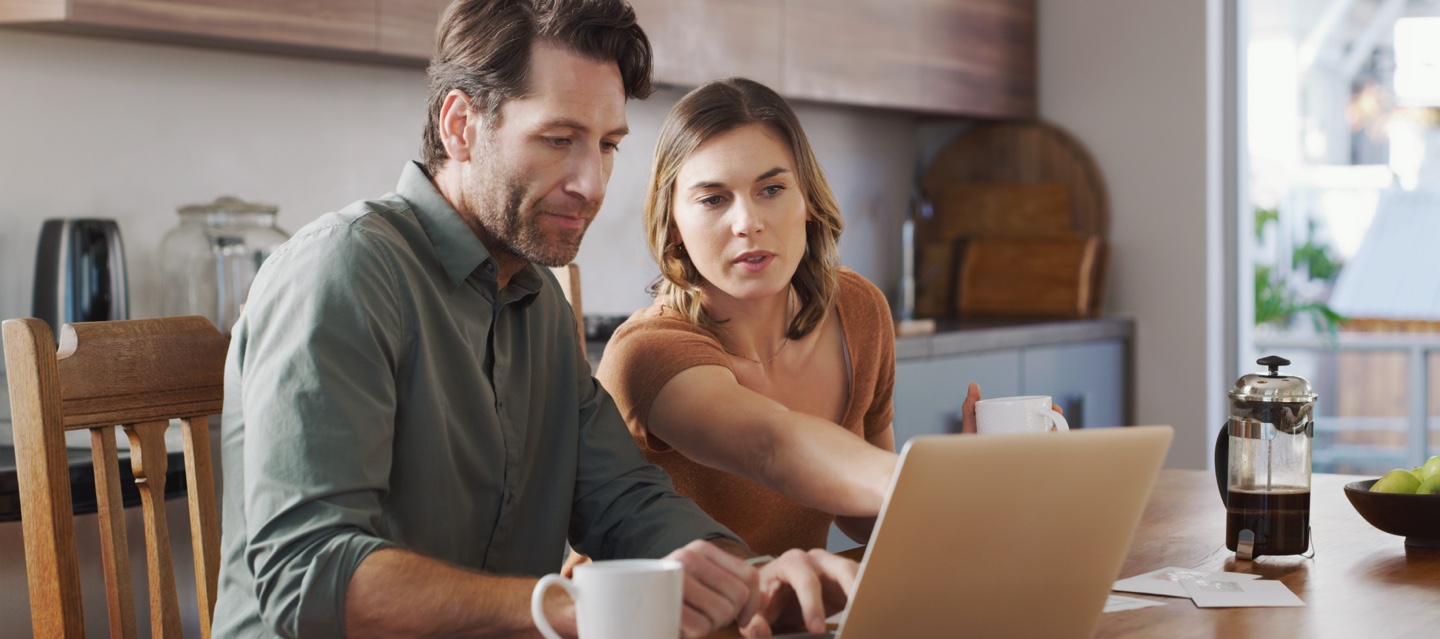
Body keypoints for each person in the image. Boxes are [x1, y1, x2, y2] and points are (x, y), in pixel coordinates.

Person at [211, 3, 854, 638]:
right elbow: (308, 575)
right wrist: (576, 608)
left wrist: (751, 581)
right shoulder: (344, 269)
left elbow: (623, 500)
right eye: (558, 140)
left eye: (607, 146)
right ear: (461, 124)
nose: (593, 182)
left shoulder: (537, 301)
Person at [596, 78, 912, 556]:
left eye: (771, 188)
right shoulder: (647, 351)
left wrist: (977, 469)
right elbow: (772, 448)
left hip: (779, 617)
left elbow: (866, 517)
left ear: (806, 198)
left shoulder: (858, 310)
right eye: (713, 199)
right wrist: (936, 484)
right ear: (674, 224)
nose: (748, 222)